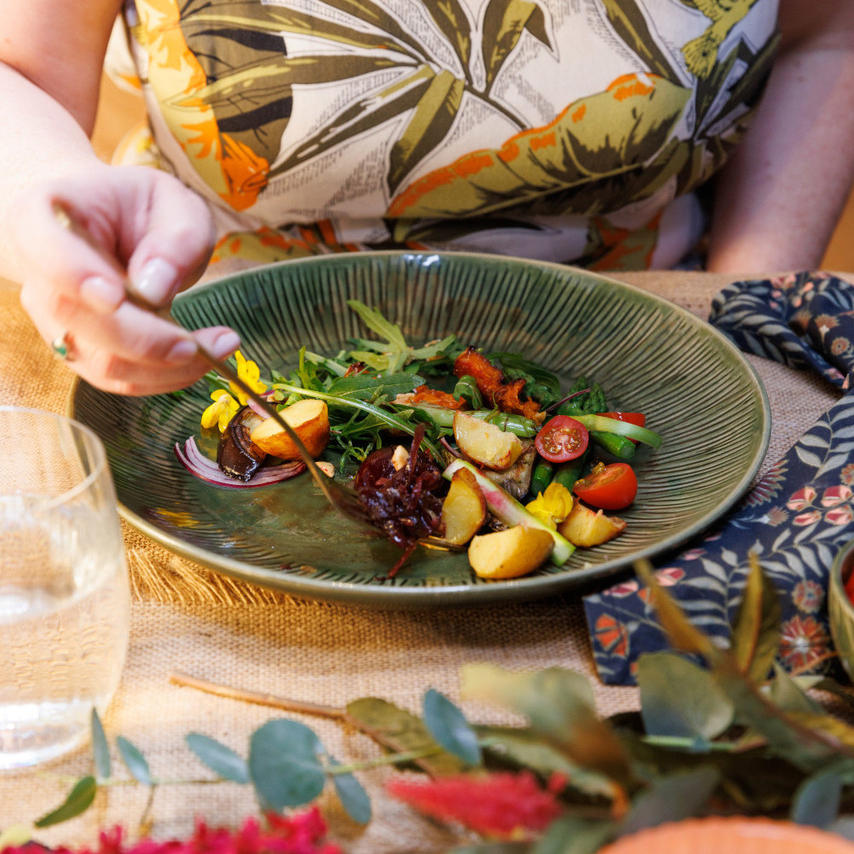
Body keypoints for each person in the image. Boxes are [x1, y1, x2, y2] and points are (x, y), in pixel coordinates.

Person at [0, 0, 852, 398]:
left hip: (656, 347)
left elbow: (824, 33)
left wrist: (749, 312)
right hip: (218, 358)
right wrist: (48, 202)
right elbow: (17, 72)